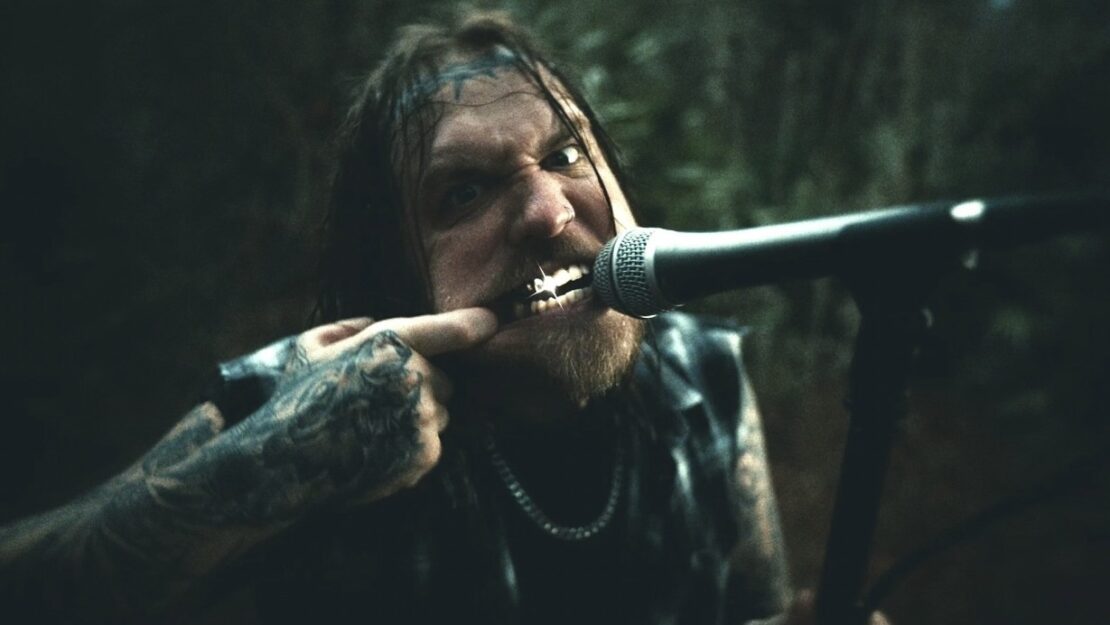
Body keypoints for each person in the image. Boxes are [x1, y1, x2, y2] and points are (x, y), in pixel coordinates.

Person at [0, 10, 884, 625]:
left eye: (566, 154)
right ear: (389, 268)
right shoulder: (309, 401)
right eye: (462, 192)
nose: (547, 212)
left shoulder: (706, 374)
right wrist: (255, 470)